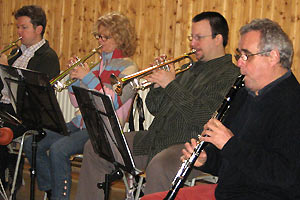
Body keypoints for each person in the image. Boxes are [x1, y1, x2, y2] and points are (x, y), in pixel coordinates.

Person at [76, 11, 240, 200]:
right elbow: (154, 107)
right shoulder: (189, 69)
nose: (192, 43)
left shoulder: (229, 75)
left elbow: (204, 117)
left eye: (199, 38)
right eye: (191, 37)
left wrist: (171, 84)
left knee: (159, 166)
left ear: (218, 39)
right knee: (97, 146)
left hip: (188, 146)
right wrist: (157, 84)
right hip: (154, 140)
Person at [142, 18, 300, 200]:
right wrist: (206, 159)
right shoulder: (243, 94)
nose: (240, 63)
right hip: (227, 191)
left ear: (273, 57)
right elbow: (229, 163)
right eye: (239, 55)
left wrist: (230, 144)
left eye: (246, 55)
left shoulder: (293, 104)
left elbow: (286, 176)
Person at [23, 12, 138, 200]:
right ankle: (51, 188)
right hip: (80, 123)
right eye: (98, 36)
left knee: (59, 149)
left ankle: (59, 197)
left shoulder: (130, 69)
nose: (99, 41)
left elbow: (110, 102)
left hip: (102, 130)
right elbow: (77, 102)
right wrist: (73, 80)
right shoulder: (96, 66)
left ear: (120, 38)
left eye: (105, 37)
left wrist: (87, 78)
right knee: (33, 142)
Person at [0, 5, 60, 193]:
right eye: (18, 27)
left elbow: (35, 95)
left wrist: (5, 70)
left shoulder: (48, 57)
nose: (19, 31)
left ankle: (6, 180)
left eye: (24, 27)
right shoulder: (16, 53)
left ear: (38, 29)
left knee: (2, 132)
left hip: (27, 112)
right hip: (6, 107)